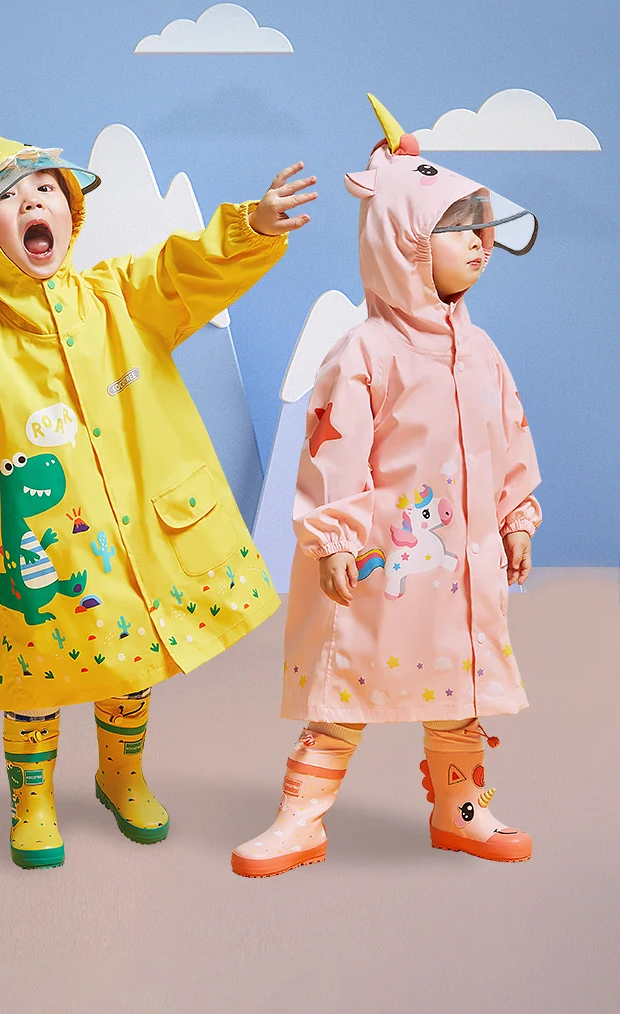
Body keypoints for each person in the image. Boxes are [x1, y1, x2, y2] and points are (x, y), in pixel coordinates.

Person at [0, 133, 316, 869]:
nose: (31, 202)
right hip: (43, 551)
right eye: (8, 198)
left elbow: (186, 271)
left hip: (134, 536)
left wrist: (249, 228)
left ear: (70, 212)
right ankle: (32, 799)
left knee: (130, 657)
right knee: (36, 671)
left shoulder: (120, 295)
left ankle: (120, 775)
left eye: (46, 190)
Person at [231, 94, 541, 878]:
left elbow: (510, 439)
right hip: (381, 566)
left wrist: (517, 515)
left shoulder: (483, 352)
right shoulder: (364, 352)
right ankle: (300, 819)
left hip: (461, 572)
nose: (480, 241)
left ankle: (460, 809)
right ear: (405, 240)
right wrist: (334, 537)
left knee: (461, 691)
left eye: (484, 227)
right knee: (346, 691)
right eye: (458, 227)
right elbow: (333, 453)